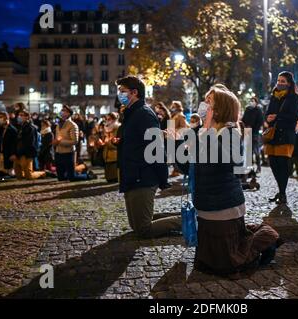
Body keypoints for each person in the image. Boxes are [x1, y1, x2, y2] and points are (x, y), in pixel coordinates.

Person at [175, 86, 282, 275]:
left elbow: (225, 164)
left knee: (228, 263)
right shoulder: (203, 131)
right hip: (205, 202)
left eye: (209, 102)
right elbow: (185, 167)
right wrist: (176, 143)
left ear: (220, 108)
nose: (204, 106)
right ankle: (247, 234)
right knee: (208, 262)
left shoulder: (231, 132)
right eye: (205, 101)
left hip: (223, 202)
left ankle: (267, 241)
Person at [116, 76, 182, 238]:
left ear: (134, 92)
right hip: (132, 174)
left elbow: (156, 148)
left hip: (143, 176)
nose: (119, 95)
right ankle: (182, 217)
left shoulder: (144, 114)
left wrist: (162, 178)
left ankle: (187, 220)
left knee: (143, 229)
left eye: (122, 91)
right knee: (137, 225)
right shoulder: (130, 114)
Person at [265, 71, 298, 205]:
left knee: (283, 165)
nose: (280, 83)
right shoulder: (273, 96)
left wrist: (277, 117)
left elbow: (294, 117)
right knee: (273, 164)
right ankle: (281, 191)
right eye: (279, 80)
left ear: (289, 83)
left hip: (285, 136)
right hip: (272, 136)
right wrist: (267, 117)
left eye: (283, 81)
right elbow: (268, 112)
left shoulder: (293, 98)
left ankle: (282, 193)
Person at [53, 105, 95, 182]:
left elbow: (74, 141)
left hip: (68, 153)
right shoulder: (58, 125)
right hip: (59, 152)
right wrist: (55, 143)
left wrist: (60, 142)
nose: (62, 112)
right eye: (62, 110)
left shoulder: (73, 125)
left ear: (69, 113)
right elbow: (57, 138)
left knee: (71, 177)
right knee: (60, 178)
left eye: (64, 110)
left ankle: (88, 175)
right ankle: (77, 169)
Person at [12, 110, 46, 180]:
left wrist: (22, 153)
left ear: (27, 117)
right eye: (19, 115)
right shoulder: (20, 126)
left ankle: (42, 173)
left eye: (21, 115)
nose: (19, 117)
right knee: (18, 174)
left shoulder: (30, 128)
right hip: (19, 152)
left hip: (26, 153)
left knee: (29, 175)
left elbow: (30, 143)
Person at [242, 96, 265, 173]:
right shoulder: (247, 109)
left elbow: (260, 121)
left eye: (253, 101)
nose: (252, 102)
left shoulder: (258, 110)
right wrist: (245, 126)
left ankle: (258, 167)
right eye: (251, 101)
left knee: (256, 150)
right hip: (247, 132)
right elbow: (244, 119)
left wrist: (254, 127)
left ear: (256, 102)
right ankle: (250, 168)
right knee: (249, 151)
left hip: (255, 132)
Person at [101, 112, 121, 183]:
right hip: (107, 151)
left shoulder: (118, 127)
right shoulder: (106, 127)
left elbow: (118, 140)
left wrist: (110, 143)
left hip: (114, 151)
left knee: (113, 166)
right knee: (108, 167)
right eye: (107, 119)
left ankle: (114, 178)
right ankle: (109, 177)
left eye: (109, 119)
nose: (107, 120)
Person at [0, 112, 18, 176]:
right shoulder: (1, 129)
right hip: (1, 153)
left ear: (6, 118)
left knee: (10, 173)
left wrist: (14, 153)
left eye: (1, 117)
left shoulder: (12, 130)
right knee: (2, 172)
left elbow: (15, 143)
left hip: (9, 154)